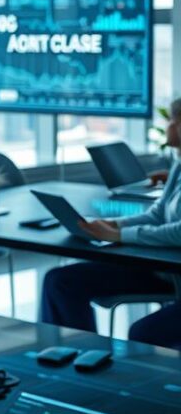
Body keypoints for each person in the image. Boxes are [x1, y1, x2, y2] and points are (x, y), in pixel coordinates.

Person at [41, 98, 181, 349]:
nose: (168, 125)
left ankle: (101, 369)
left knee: (143, 333)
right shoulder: (178, 164)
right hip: (160, 271)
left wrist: (120, 236)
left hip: (173, 276)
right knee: (60, 282)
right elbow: (157, 215)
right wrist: (113, 225)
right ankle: (77, 359)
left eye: (171, 119)